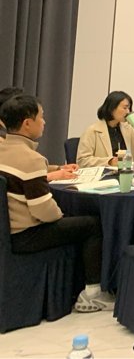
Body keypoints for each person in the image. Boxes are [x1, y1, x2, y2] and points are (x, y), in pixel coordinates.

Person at [0, 95, 112, 312]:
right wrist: (62, 214)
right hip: (25, 235)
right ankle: (92, 294)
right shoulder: (30, 159)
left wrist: (56, 170)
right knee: (92, 224)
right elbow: (44, 211)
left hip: (7, 231)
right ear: (27, 123)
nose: (44, 122)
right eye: (41, 117)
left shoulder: (5, 149)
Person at [76, 91, 134, 168]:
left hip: (127, 171)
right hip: (105, 174)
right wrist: (110, 162)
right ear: (112, 108)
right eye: (125, 108)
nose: (128, 112)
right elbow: (82, 161)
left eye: (129, 108)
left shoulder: (128, 129)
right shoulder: (93, 130)